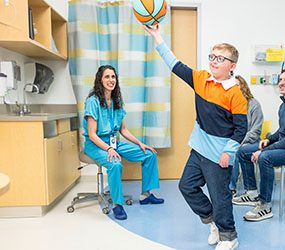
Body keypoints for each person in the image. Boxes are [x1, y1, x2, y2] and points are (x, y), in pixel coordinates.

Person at [143, 25, 247, 250]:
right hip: (198, 148)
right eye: (212, 56)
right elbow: (175, 65)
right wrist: (157, 37)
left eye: (220, 58)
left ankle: (229, 236)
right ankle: (212, 222)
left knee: (221, 198)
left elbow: (241, 129)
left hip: (218, 155)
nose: (214, 61)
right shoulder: (201, 79)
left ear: (232, 66)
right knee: (186, 186)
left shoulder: (235, 94)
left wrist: (229, 153)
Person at [83, 65, 164, 220]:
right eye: (107, 77)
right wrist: (108, 149)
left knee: (149, 154)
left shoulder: (116, 100)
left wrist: (140, 144)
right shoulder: (92, 102)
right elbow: (92, 135)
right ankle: (117, 205)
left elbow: (123, 130)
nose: (111, 80)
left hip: (113, 143)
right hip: (96, 144)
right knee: (115, 164)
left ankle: (145, 195)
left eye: (113, 77)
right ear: (100, 79)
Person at [233, 67, 285, 222]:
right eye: (280, 79)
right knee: (242, 151)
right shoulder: (284, 105)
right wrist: (269, 140)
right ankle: (251, 193)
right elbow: (282, 131)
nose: (281, 83)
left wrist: (264, 151)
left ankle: (265, 205)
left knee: (265, 158)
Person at [229, 75, 263, 196]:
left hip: (252, 141)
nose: (234, 88)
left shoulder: (254, 105)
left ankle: (231, 187)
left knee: (237, 152)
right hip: (236, 140)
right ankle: (226, 184)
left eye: (237, 85)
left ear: (243, 87)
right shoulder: (230, 105)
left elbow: (256, 131)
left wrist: (240, 141)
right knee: (228, 150)